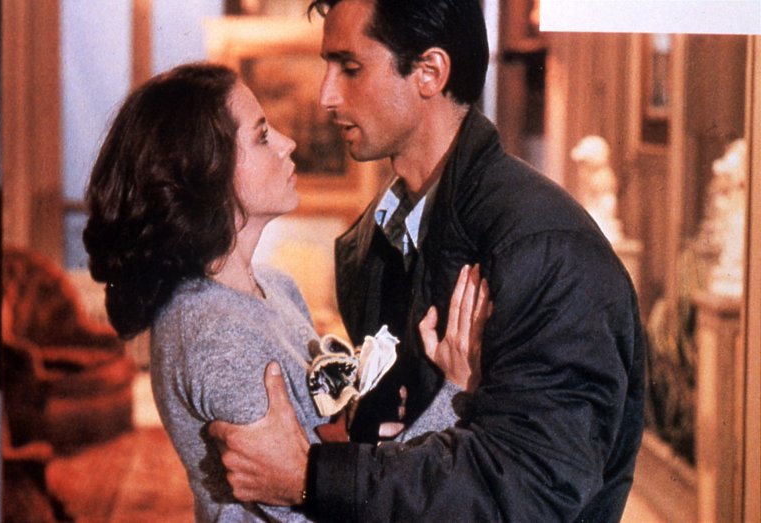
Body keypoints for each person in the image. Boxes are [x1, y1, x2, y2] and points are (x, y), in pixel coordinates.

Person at [208, 1, 646, 522]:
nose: (327, 96)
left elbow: (530, 489)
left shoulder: (546, 248)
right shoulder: (371, 244)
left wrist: (312, 477)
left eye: (350, 68)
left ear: (430, 72)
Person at [83, 62, 489, 523]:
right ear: (206, 174)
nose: (287, 143)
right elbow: (324, 510)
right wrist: (454, 396)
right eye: (261, 136)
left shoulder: (275, 285)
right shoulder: (214, 337)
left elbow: (325, 465)